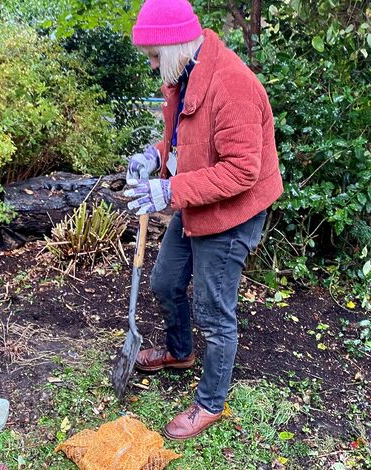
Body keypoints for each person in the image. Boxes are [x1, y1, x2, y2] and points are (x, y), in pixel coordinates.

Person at [122, 0, 283, 440]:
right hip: (197, 199)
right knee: (165, 281)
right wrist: (152, 156)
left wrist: (169, 191)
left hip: (232, 212)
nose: (153, 65)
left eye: (155, 56)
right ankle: (180, 351)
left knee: (214, 311)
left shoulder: (231, 84)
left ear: (174, 46)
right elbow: (180, 137)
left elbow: (242, 170)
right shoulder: (186, 73)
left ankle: (211, 403)